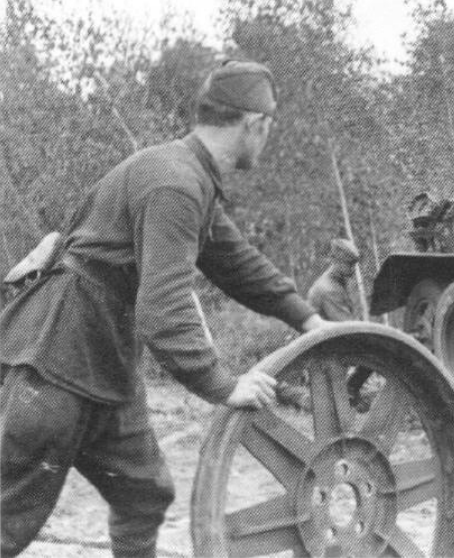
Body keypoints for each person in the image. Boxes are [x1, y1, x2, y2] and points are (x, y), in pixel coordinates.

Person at [0, 60, 327, 557]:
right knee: (8, 521)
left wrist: (305, 316)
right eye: (269, 128)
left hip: (102, 371)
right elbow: (162, 306)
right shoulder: (174, 183)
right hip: (57, 365)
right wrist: (223, 383)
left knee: (143, 494)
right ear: (255, 124)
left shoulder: (187, 177)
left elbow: (235, 261)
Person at [306, 238, 360, 321]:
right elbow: (347, 327)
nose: (353, 269)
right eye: (349, 264)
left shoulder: (338, 282)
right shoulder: (329, 290)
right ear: (336, 261)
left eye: (354, 264)